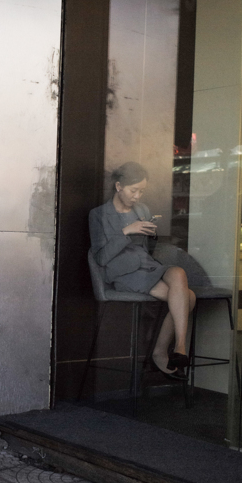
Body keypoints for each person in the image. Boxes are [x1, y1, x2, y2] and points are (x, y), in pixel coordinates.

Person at [89, 162, 196, 378]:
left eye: (142, 191)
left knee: (179, 274)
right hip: (123, 272)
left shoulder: (142, 210)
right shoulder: (99, 214)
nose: (137, 196)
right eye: (133, 190)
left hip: (147, 266)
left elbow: (147, 249)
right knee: (188, 297)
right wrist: (127, 230)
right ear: (119, 186)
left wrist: (151, 232)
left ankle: (179, 348)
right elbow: (100, 257)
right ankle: (160, 353)